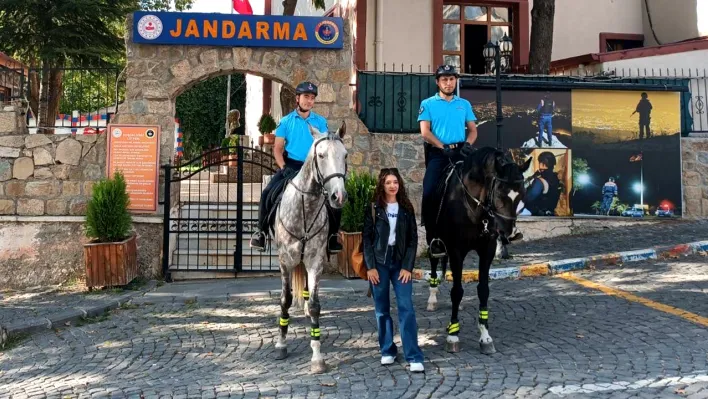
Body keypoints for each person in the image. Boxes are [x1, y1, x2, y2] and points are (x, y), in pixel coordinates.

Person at [250, 81, 343, 254]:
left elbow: (325, 147)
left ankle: (332, 237)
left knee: (335, 197)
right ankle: (260, 232)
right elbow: (277, 149)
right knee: (267, 193)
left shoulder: (320, 122)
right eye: (306, 97)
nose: (309, 101)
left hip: (315, 168)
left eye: (312, 98)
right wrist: (284, 167)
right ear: (297, 98)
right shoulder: (285, 121)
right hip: (291, 166)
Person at [363, 168, 424, 372]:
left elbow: (413, 240)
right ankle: (387, 350)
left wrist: (407, 266)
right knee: (382, 310)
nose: (392, 185)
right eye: (388, 182)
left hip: (400, 265)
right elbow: (367, 239)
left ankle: (413, 355)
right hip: (379, 264)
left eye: (395, 182)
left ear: (400, 185)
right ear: (382, 184)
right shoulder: (374, 208)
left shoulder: (406, 208)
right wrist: (370, 267)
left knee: (406, 307)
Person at [417, 64, 478, 258]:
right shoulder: (428, 104)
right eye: (444, 79)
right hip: (439, 153)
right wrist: (442, 146)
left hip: (461, 151)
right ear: (438, 82)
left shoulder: (464, 104)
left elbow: (473, 130)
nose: (448, 83)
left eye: (452, 79)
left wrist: (468, 144)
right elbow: (425, 131)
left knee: (484, 184)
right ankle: (432, 237)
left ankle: (494, 232)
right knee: (429, 191)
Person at [521, 151, 561, 216]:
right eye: (540, 162)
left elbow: (529, 197)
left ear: (546, 164)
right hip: (548, 213)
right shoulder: (555, 179)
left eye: (541, 163)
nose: (539, 165)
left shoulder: (540, 181)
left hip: (536, 213)